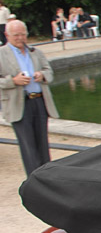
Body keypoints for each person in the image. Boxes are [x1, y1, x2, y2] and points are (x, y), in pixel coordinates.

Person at [0, 19, 59, 175]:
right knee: (28, 145)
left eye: (23, 34)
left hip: (39, 100)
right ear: (7, 35)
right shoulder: (1, 53)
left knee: (42, 143)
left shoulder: (36, 52)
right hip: (19, 104)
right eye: (16, 35)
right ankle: (35, 180)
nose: (20, 38)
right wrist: (13, 81)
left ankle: (48, 176)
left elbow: (49, 72)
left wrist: (42, 75)